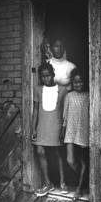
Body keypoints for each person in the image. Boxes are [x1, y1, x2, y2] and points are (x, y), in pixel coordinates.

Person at [32, 62, 68, 195]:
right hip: (42, 126)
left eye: (48, 76)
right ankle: (48, 183)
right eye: (43, 76)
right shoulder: (37, 89)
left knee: (58, 154)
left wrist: (63, 129)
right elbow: (35, 111)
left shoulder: (63, 90)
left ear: (53, 75)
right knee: (40, 151)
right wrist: (34, 129)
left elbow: (65, 112)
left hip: (56, 125)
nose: (46, 79)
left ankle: (63, 182)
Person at [61, 68, 89, 197]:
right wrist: (63, 129)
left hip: (84, 131)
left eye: (80, 81)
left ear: (84, 82)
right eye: (76, 82)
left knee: (83, 161)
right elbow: (65, 115)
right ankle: (83, 181)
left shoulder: (89, 95)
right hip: (70, 131)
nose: (78, 84)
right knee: (70, 160)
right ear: (72, 82)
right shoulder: (69, 95)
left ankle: (79, 188)